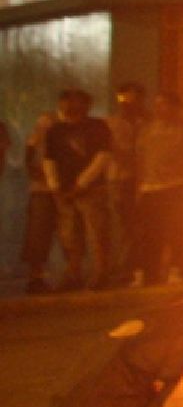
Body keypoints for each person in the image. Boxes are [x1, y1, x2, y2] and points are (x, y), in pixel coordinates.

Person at [43, 88, 113, 291]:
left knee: (96, 232)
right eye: (64, 102)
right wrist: (55, 186)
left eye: (73, 102)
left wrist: (81, 184)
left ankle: (101, 274)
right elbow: (49, 159)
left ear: (85, 105)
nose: (68, 107)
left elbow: (103, 157)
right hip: (64, 191)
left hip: (92, 189)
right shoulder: (55, 131)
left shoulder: (97, 127)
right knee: (69, 235)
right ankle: (73, 273)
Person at [132, 92, 183, 286]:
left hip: (173, 187)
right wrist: (140, 185)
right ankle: (149, 273)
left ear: (175, 108)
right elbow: (139, 157)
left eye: (165, 105)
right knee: (149, 233)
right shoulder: (146, 131)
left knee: (174, 231)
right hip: (149, 188)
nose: (160, 109)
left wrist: (182, 175)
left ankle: (176, 270)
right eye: (157, 105)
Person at [105, 81, 147, 284]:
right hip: (118, 180)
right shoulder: (110, 124)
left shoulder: (149, 124)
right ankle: (122, 270)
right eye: (124, 99)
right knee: (122, 226)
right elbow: (109, 151)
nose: (128, 104)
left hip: (145, 182)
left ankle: (138, 269)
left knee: (141, 225)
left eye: (134, 99)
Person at [20, 112, 58, 294]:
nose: (44, 128)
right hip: (41, 192)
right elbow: (29, 166)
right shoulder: (34, 142)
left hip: (60, 192)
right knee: (38, 235)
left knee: (67, 234)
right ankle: (36, 277)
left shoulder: (60, 142)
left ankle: (71, 272)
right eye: (41, 125)